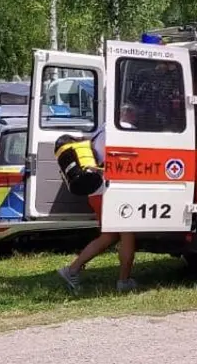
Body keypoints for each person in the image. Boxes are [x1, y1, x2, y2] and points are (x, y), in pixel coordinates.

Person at [56, 126, 137, 294]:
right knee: (127, 234)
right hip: (110, 191)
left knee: (110, 235)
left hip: (96, 192)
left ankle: (72, 270)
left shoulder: (101, 130)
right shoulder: (120, 131)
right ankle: (124, 281)